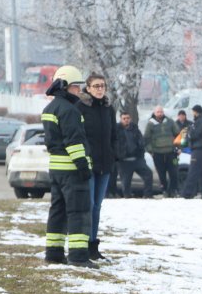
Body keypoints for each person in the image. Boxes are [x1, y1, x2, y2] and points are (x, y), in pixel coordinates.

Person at [41, 65, 95, 268]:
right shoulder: (70, 111)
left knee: (58, 211)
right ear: (64, 87)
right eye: (75, 86)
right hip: (72, 170)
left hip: (56, 170)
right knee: (78, 212)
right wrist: (83, 167)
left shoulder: (50, 109)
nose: (78, 90)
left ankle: (54, 253)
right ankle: (78, 256)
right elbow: (74, 142)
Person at [76, 73, 117, 260]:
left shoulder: (109, 109)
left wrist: (114, 155)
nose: (100, 89)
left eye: (103, 86)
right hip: (88, 163)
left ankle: (93, 245)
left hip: (105, 164)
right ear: (88, 88)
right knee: (89, 204)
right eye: (96, 86)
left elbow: (114, 135)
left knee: (97, 206)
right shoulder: (81, 108)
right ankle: (82, 244)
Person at [115, 112, 154, 198]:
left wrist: (141, 155)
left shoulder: (135, 129)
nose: (126, 120)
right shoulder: (116, 130)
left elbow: (141, 142)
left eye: (128, 118)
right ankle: (127, 197)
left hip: (137, 159)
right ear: (121, 119)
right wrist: (118, 157)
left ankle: (148, 195)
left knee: (148, 174)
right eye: (124, 118)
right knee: (126, 182)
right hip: (124, 161)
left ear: (130, 119)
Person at [144, 105, 179, 197]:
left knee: (174, 172)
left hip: (171, 153)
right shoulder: (150, 124)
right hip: (157, 153)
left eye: (161, 112)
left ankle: (174, 190)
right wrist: (150, 150)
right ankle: (164, 190)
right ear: (155, 113)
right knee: (161, 173)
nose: (160, 114)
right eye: (158, 112)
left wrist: (178, 148)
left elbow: (178, 134)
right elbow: (146, 138)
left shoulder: (170, 122)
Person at [181, 105, 202, 199]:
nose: (192, 114)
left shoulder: (200, 121)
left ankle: (187, 194)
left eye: (193, 112)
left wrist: (188, 133)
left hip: (199, 150)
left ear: (197, 112)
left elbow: (194, 134)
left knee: (193, 172)